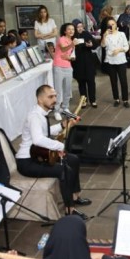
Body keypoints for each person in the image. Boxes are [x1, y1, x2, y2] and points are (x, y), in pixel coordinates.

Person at [16, 85, 90, 217]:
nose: (54, 99)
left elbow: (45, 132)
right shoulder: (34, 116)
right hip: (27, 162)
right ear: (40, 99)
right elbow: (38, 139)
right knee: (64, 170)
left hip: (38, 155)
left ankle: (74, 196)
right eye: (50, 97)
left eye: (55, 96)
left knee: (73, 159)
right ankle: (70, 211)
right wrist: (59, 146)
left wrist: (63, 125)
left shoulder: (41, 114)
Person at [102, 18, 130, 108]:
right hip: (110, 61)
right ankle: (116, 99)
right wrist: (104, 36)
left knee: (123, 81)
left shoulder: (122, 34)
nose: (111, 26)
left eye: (113, 24)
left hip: (121, 60)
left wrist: (119, 50)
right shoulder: (106, 35)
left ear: (116, 25)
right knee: (113, 81)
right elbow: (102, 45)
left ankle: (125, 99)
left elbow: (126, 47)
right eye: (109, 25)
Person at [71, 19, 98, 108]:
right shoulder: (72, 36)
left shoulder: (86, 33)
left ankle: (93, 100)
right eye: (78, 27)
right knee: (81, 82)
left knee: (91, 81)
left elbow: (95, 44)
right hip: (78, 62)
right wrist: (83, 45)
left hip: (88, 61)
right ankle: (83, 100)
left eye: (81, 26)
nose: (80, 28)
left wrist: (91, 45)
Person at [52, 23, 76, 119]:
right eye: (69, 29)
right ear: (65, 31)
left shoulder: (72, 41)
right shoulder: (61, 39)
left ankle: (65, 107)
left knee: (67, 89)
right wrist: (72, 44)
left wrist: (69, 58)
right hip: (58, 66)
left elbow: (73, 57)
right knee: (58, 90)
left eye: (73, 29)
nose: (71, 31)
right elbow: (63, 48)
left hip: (68, 67)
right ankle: (56, 110)